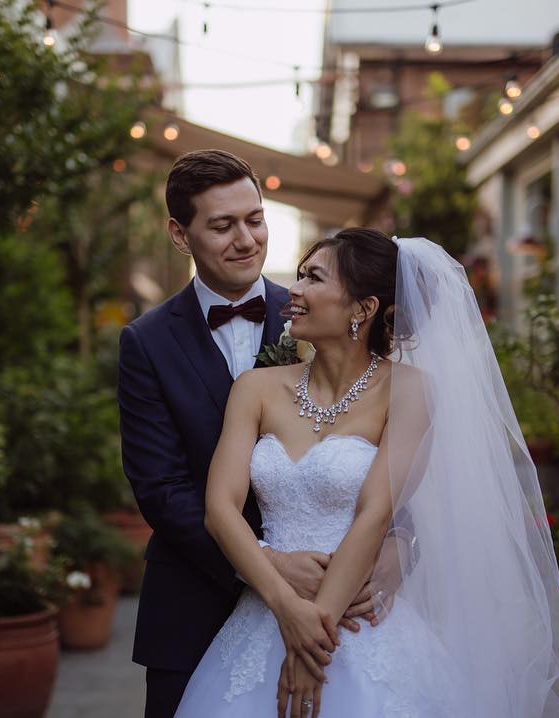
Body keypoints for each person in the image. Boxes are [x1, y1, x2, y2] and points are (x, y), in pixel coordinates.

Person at [174, 228, 559, 717]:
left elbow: (375, 514)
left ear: (362, 309)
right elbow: (220, 510)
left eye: (314, 278)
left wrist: (313, 642)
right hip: (265, 607)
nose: (295, 290)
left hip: (358, 619)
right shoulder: (256, 388)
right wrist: (288, 611)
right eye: (300, 275)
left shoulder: (409, 390)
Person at [117, 151, 404, 718]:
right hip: (193, 601)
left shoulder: (316, 307)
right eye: (222, 226)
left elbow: (402, 482)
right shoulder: (146, 342)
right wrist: (271, 562)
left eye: (255, 218)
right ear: (180, 234)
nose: (246, 239)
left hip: (341, 600)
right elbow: (161, 489)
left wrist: (394, 554)